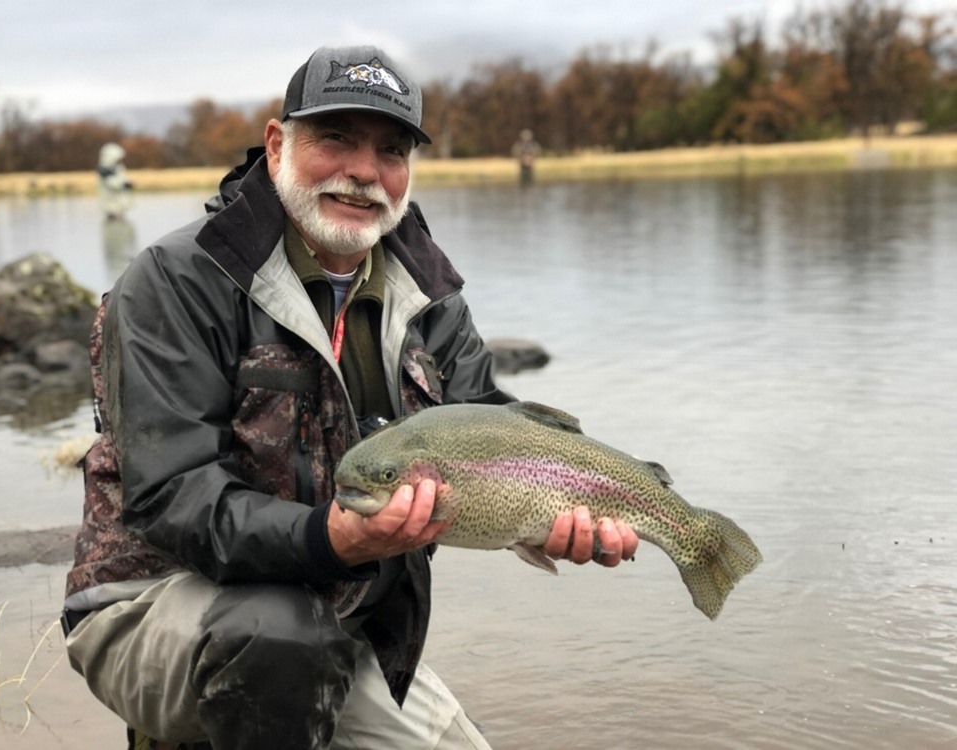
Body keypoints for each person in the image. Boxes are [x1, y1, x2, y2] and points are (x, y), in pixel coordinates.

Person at [62, 44, 639, 750]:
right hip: (149, 601)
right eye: (336, 138)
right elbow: (170, 497)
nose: (364, 171)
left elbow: (497, 430)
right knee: (276, 641)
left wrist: (551, 515)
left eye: (391, 150)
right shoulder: (175, 281)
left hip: (335, 615)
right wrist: (326, 539)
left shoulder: (428, 295)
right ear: (278, 144)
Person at [96, 142, 134, 220]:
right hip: (111, 205)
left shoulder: (117, 167)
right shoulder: (104, 169)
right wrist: (125, 184)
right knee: (114, 223)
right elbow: (111, 183)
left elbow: (120, 178)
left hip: (119, 205)